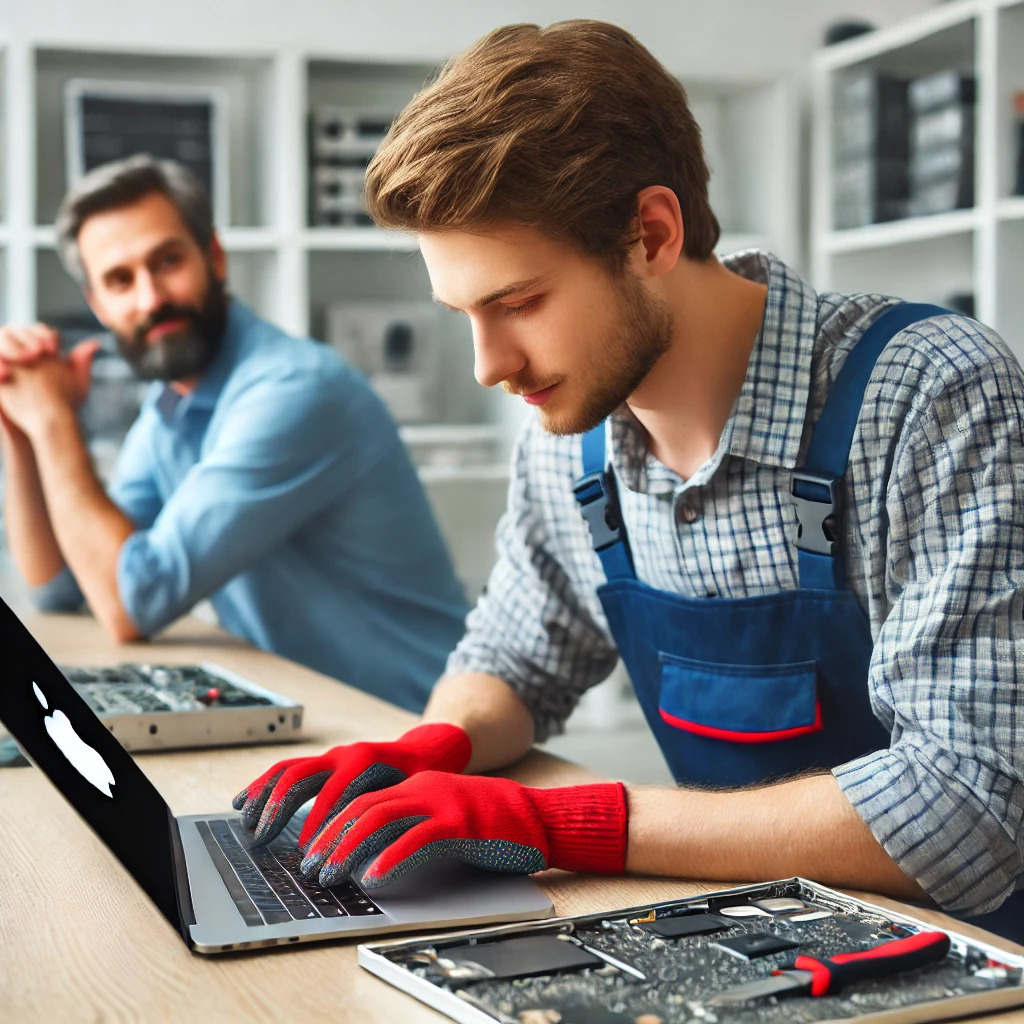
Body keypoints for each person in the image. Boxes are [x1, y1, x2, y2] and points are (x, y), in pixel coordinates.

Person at [234, 21, 1024, 939]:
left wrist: (562, 822)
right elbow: (519, 657)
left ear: (650, 233)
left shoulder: (933, 394)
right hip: (761, 935)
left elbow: (966, 808)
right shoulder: (569, 435)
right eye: (464, 315)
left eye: (518, 303)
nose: (490, 364)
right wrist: (432, 748)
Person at [0, 155, 468, 712]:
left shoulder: (294, 390)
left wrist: (53, 418)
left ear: (213, 257)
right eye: (120, 280)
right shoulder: (170, 407)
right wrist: (19, 421)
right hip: (315, 726)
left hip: (417, 734)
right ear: (98, 306)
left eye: (167, 260)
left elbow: (131, 601)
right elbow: (61, 587)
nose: (150, 298)